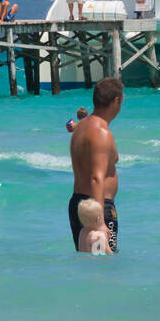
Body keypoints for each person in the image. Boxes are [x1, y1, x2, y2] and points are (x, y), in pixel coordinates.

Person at [68, 77, 123, 253]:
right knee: (103, 266)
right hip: (97, 208)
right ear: (116, 101)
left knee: (88, 264)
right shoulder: (101, 132)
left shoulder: (82, 127)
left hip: (79, 203)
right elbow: (96, 177)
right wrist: (99, 222)